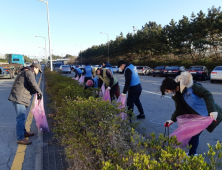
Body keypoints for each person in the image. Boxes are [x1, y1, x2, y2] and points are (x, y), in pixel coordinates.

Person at [160, 72, 222, 156]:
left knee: (193, 135)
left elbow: (207, 94)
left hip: (206, 114)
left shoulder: (191, 87)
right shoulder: (177, 95)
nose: (168, 92)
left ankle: (192, 154)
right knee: (191, 134)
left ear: (170, 87)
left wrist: (212, 111)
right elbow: (179, 110)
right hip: (196, 117)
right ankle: (192, 153)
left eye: (167, 91)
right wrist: (171, 120)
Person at [8, 63, 43, 145]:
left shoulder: (26, 72)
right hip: (19, 98)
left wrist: (35, 92)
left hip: (19, 97)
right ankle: (20, 138)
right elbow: (33, 83)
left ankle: (24, 132)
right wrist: (39, 92)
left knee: (22, 116)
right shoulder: (29, 72)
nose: (38, 72)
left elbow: (28, 86)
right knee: (21, 118)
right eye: (38, 70)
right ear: (34, 68)